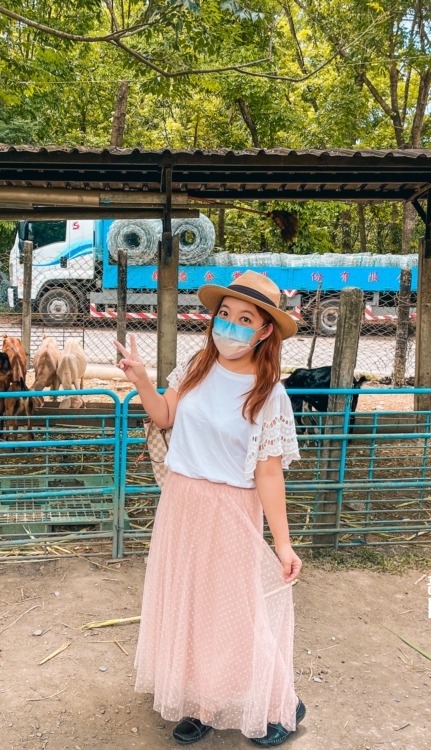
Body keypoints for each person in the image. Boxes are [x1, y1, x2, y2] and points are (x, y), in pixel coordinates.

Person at [115, 270, 305, 747]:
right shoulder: (196, 367)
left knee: (238, 609)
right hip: (181, 503)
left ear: (265, 331)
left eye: (245, 319)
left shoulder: (269, 394)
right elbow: (164, 416)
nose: (231, 327)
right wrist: (142, 381)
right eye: (225, 315)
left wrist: (282, 543)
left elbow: (268, 473)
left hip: (231, 509)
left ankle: (282, 700)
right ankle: (202, 703)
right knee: (192, 604)